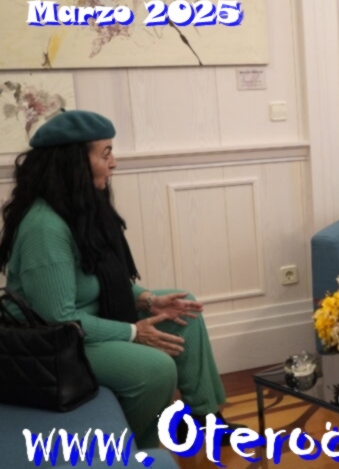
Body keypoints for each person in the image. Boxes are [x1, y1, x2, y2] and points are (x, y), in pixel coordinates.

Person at [0, 110, 240, 449]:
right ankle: (133, 447)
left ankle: (204, 420)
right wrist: (133, 332)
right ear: (74, 163)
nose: (114, 163)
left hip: (87, 322)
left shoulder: (79, 208)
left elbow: (103, 276)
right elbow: (59, 320)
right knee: (156, 369)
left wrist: (148, 300)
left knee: (184, 311)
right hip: (55, 345)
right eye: (106, 154)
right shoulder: (45, 227)